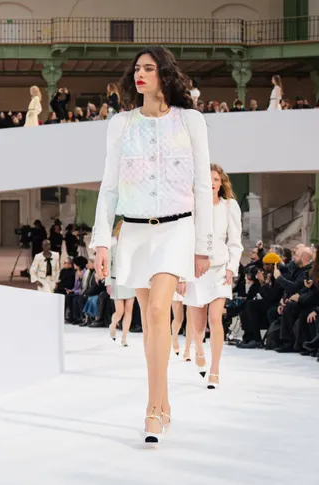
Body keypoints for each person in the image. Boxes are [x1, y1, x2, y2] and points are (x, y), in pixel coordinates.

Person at [90, 46, 212, 445]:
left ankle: (152, 408)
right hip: (134, 233)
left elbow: (202, 187)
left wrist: (204, 244)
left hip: (177, 229)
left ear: (165, 74)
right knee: (151, 322)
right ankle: (164, 402)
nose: (140, 74)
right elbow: (109, 187)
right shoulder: (120, 124)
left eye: (149, 68)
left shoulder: (190, 121)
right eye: (137, 68)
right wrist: (102, 242)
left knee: (160, 309)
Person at [184, 164, 243, 390]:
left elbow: (235, 241)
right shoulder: (192, 206)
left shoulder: (229, 207)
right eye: (208, 179)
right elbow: (184, 239)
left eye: (216, 179)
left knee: (215, 318)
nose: (212, 183)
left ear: (221, 183)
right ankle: (199, 350)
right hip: (196, 269)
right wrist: (182, 273)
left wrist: (232, 268)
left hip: (220, 269)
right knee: (198, 326)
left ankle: (215, 370)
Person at [106, 220, 135, 347]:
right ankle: (113, 325)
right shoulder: (112, 247)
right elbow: (107, 266)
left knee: (129, 311)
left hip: (130, 281)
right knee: (120, 311)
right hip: (116, 280)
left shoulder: (132, 248)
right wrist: (108, 283)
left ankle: (124, 338)